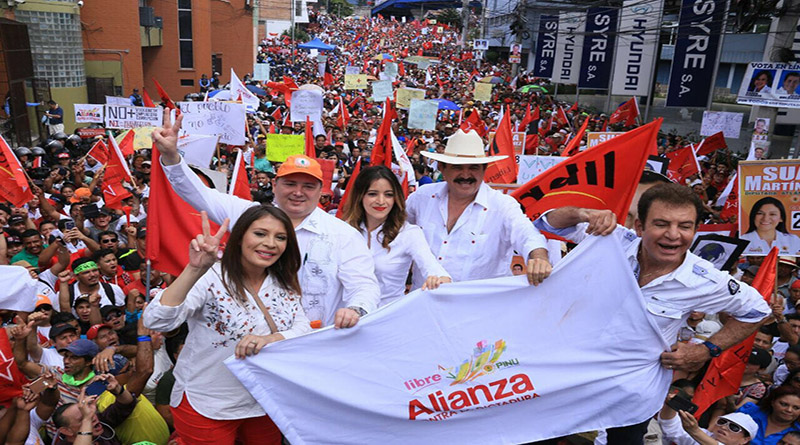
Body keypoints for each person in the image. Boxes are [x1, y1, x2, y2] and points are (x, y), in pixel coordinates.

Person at [534, 183, 771, 443]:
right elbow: (547, 224)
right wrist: (584, 214)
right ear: (639, 227)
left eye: (684, 226)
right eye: (661, 224)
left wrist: (706, 350)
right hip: (569, 381)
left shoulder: (707, 280)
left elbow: (757, 311)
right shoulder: (610, 239)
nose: (673, 235)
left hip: (630, 398)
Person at [153, 110, 380, 328]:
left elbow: (363, 284)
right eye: (290, 184)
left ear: (322, 192)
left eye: (308, 186)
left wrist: (356, 310)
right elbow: (198, 194)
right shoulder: (247, 215)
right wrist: (172, 156)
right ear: (274, 185)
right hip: (251, 343)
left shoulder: (343, 234)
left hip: (315, 343)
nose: (298, 192)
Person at [143, 207, 311, 444]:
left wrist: (270, 339)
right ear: (240, 236)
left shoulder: (284, 282)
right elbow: (157, 320)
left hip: (264, 401)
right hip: (208, 402)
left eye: (280, 237)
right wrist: (195, 268)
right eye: (260, 234)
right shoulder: (211, 277)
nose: (270, 243)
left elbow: (303, 329)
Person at [406, 129, 552, 288]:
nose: (466, 175)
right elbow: (395, 227)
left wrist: (538, 258)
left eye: (474, 168)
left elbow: (527, 234)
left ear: (484, 169)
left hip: (478, 309)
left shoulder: (502, 205)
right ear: (442, 168)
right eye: (457, 167)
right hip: (424, 305)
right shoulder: (421, 198)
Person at [342, 165, 450, 306]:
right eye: (372, 194)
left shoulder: (408, 233)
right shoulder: (344, 230)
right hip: (346, 318)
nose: (381, 201)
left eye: (388, 194)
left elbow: (431, 266)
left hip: (388, 317)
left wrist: (440, 278)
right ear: (360, 195)